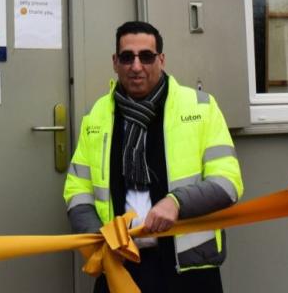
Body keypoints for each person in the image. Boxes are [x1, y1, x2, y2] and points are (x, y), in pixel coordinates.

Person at [64, 21, 243, 292]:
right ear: (115, 62)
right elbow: (77, 190)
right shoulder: (97, 115)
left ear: (161, 59)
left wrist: (176, 202)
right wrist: (99, 236)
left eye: (146, 57)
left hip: (187, 268)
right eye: (127, 57)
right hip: (119, 263)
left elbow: (228, 184)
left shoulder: (201, 107)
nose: (136, 66)